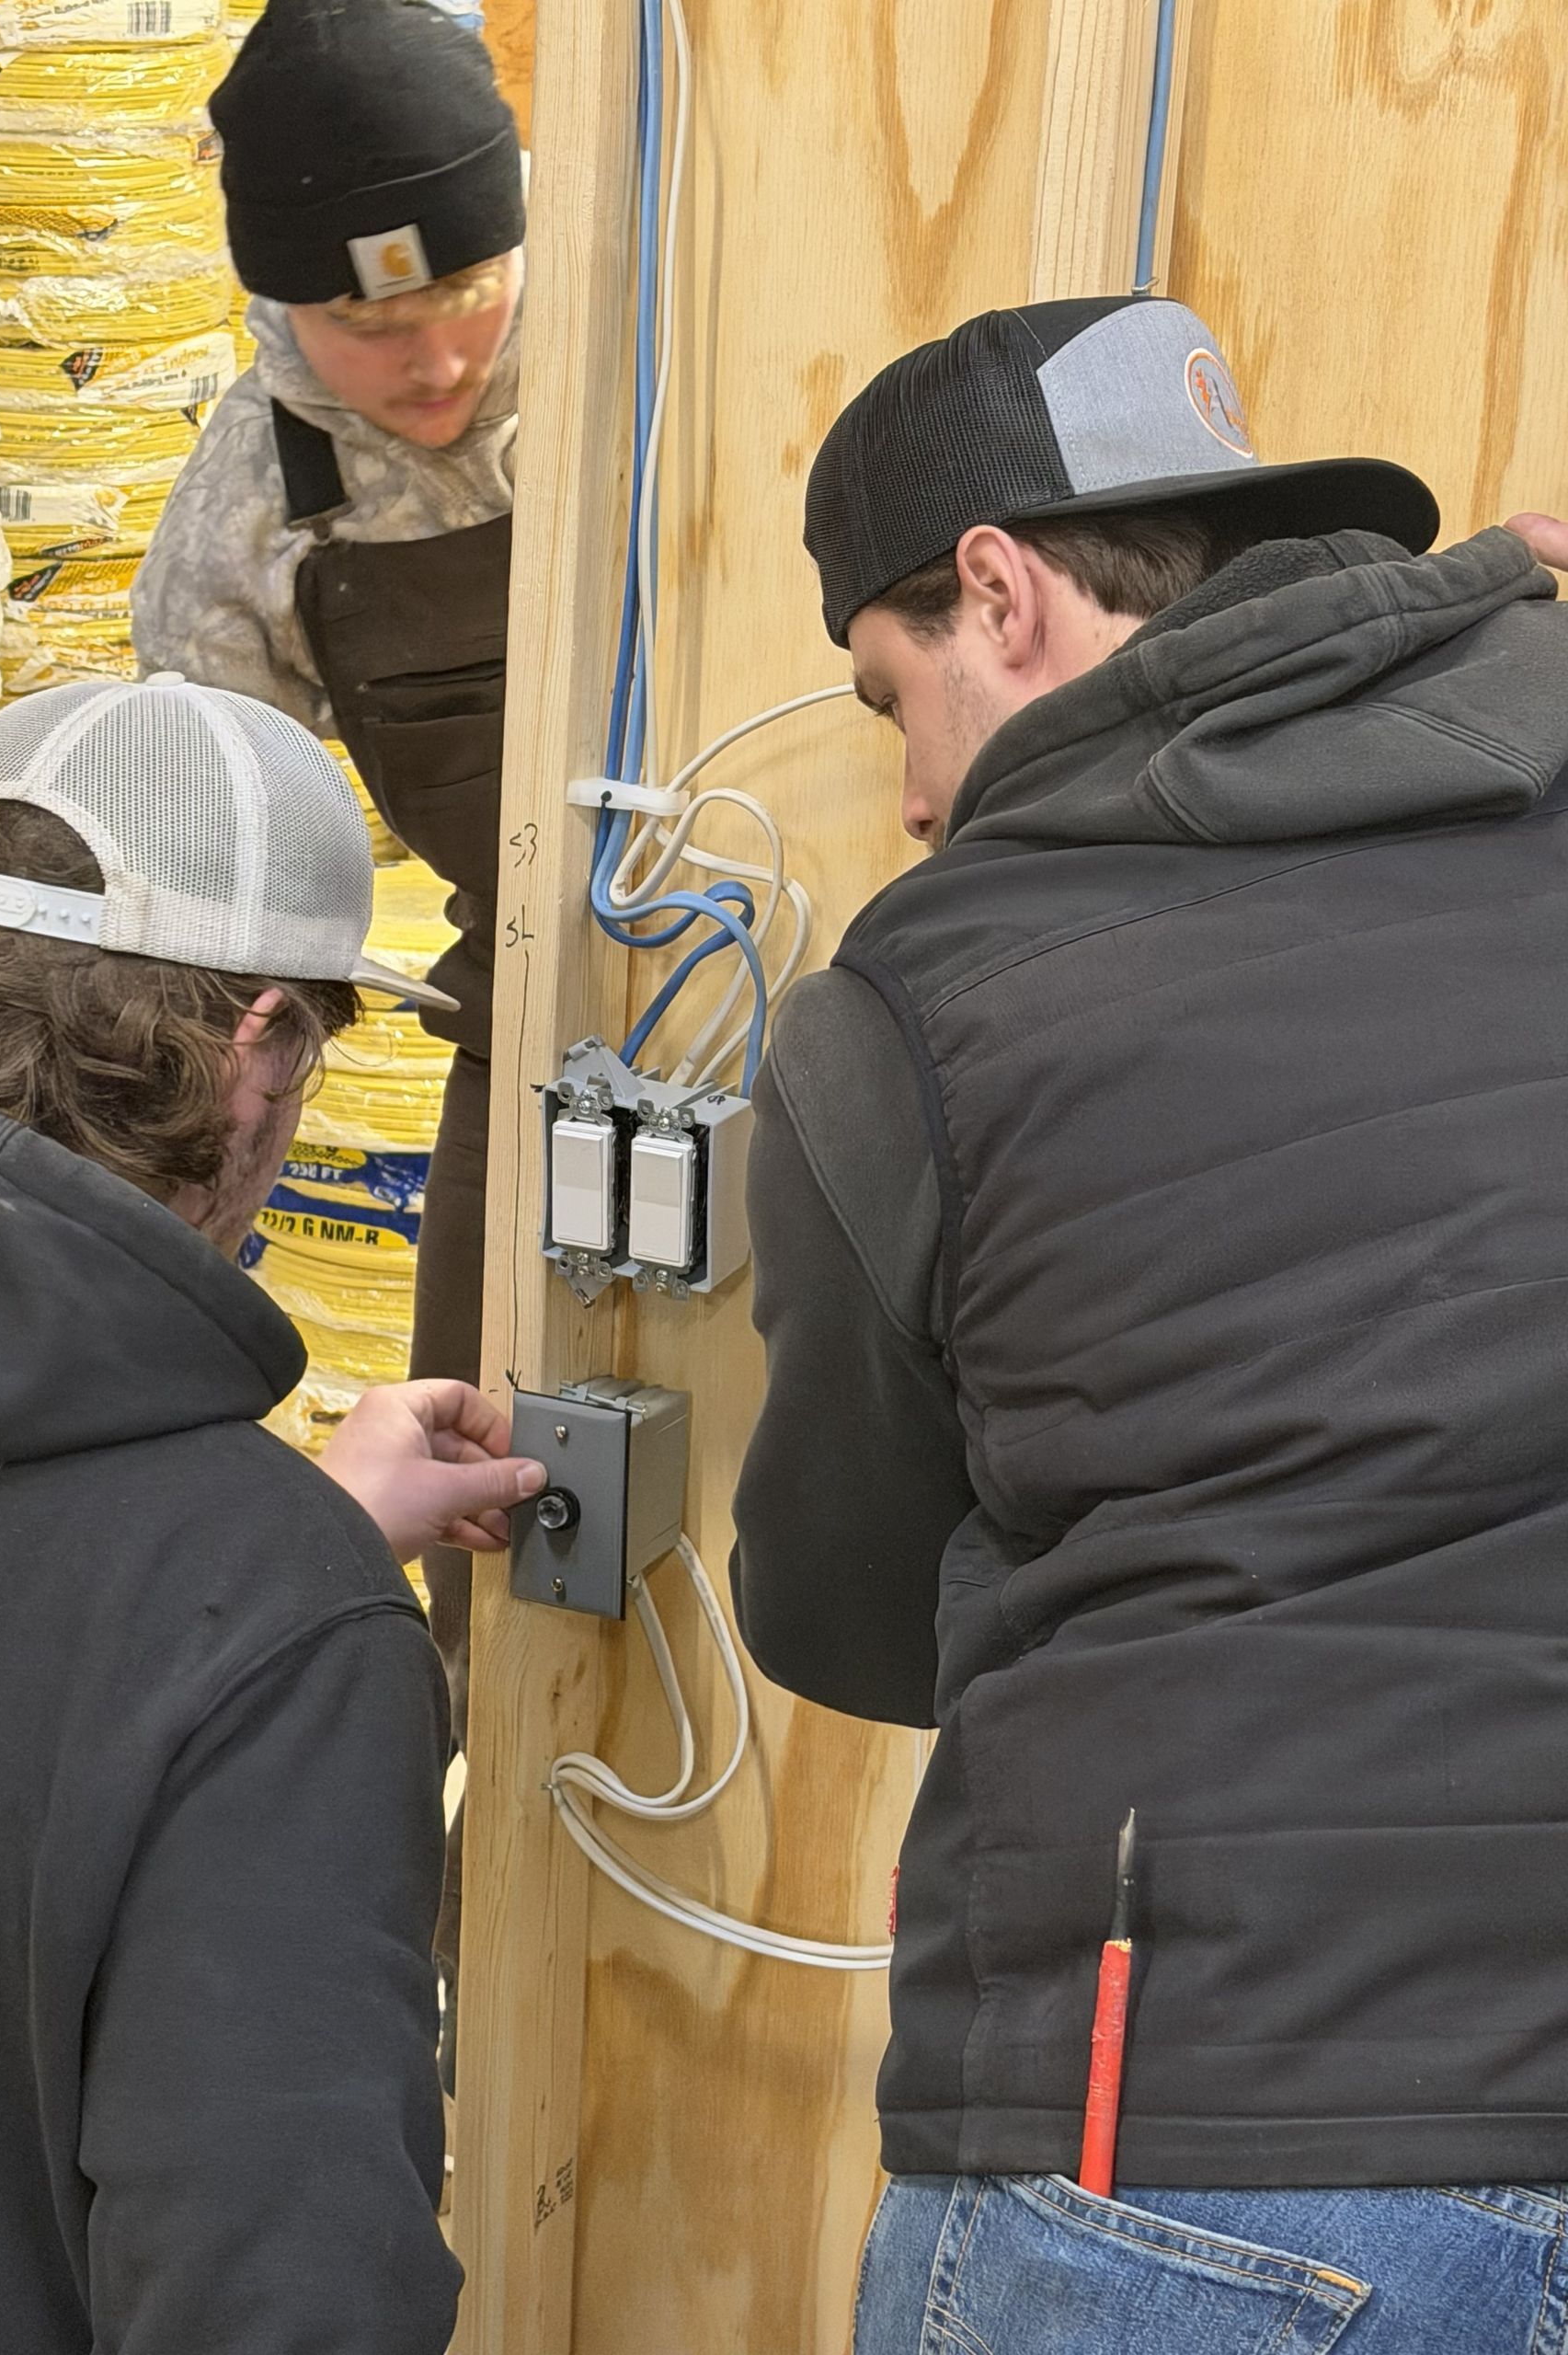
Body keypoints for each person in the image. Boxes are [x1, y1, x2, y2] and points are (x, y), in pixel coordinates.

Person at [730, 293, 1568, 2352]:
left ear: (1000, 594)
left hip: (1205, 2142)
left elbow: (842, 1607)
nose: (912, 797)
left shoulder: (913, 1010)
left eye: (882, 695)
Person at [0, 673, 545, 2354]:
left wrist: (271, 1571)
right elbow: (275, 2291)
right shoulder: (254, 1608)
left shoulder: (238, 1590)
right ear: (261, 1051)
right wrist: (261, 1607)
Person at [133, 0, 524, 2058]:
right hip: (531, 1033)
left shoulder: (693, 355)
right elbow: (213, 936)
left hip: (839, 971)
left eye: (471, 294)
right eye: (379, 332)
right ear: (279, 312)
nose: (442, 360)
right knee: (511, 1512)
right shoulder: (245, 522)